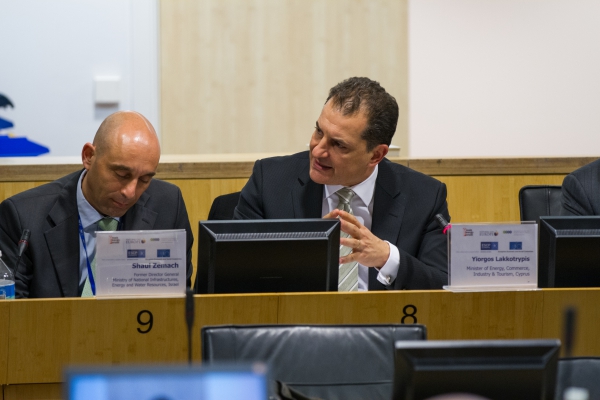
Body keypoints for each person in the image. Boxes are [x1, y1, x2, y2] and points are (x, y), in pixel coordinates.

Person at [234, 77, 450, 290]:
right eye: (319, 131)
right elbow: (235, 271)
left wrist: (387, 258)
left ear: (376, 155)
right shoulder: (270, 181)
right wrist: (302, 257)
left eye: (339, 145)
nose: (318, 151)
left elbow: (444, 287)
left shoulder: (425, 197)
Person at [0, 111, 194, 298]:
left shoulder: (168, 205)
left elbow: (176, 304)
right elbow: (12, 312)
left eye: (144, 179)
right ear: (88, 156)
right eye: (122, 175)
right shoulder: (22, 216)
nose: (130, 192)